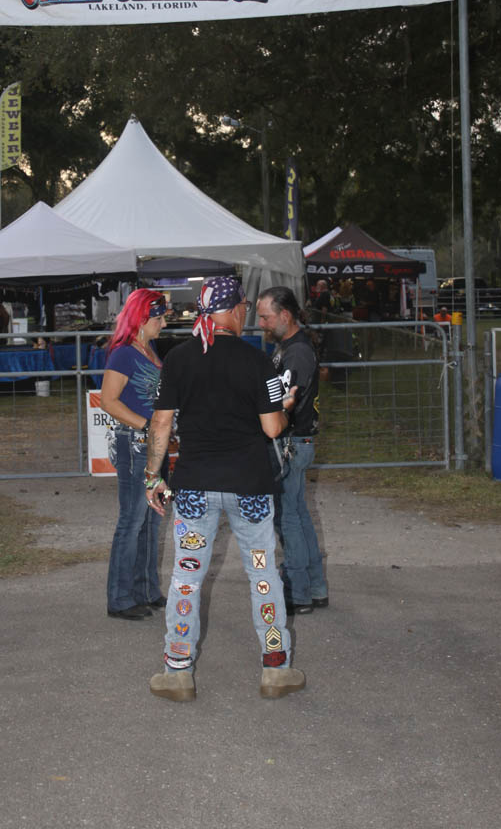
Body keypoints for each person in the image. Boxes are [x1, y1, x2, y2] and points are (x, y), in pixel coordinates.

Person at [144, 276, 306, 702]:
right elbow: (272, 427)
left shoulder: (177, 359)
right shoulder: (259, 362)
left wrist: (152, 477)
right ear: (235, 310)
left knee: (186, 577)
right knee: (263, 574)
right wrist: (284, 408)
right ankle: (275, 669)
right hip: (249, 487)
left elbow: (161, 423)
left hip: (195, 486)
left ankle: (177, 670)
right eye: (244, 306)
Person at [256, 286, 329, 616]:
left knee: (288, 519)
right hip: (298, 442)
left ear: (285, 316)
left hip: (291, 443)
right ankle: (314, 587)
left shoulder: (296, 353)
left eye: (266, 317)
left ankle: (298, 591)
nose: (261, 323)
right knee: (297, 515)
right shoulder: (290, 347)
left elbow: (284, 403)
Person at [100, 289, 170, 621]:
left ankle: (146, 590)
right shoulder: (124, 354)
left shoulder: (148, 349)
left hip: (153, 443)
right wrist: (146, 426)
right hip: (136, 443)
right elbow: (108, 401)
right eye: (159, 317)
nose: (164, 322)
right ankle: (120, 597)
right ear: (142, 318)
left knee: (152, 517)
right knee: (132, 519)